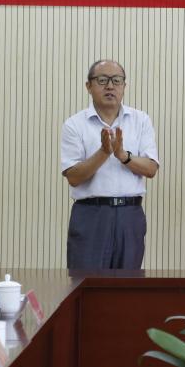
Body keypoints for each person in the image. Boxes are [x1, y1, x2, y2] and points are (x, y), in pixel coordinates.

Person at [60, 59, 159, 269]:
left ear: (124, 86)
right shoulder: (74, 124)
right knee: (85, 282)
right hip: (90, 215)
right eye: (102, 80)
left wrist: (123, 155)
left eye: (117, 80)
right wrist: (104, 152)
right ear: (89, 86)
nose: (110, 86)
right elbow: (73, 177)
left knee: (128, 283)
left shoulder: (140, 120)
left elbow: (151, 168)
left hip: (129, 215)